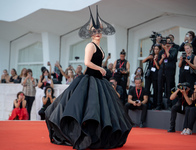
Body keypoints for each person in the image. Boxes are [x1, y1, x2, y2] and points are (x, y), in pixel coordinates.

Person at [45, 6, 132, 149]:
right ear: (91, 33)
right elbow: (86, 62)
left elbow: (91, 64)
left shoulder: (101, 48)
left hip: (99, 81)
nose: (97, 33)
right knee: (87, 109)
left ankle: (99, 135)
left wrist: (99, 69)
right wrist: (99, 68)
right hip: (91, 80)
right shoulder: (90, 46)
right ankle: (82, 135)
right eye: (94, 31)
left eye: (99, 31)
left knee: (102, 110)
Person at [156, 37, 178, 110]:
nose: (165, 44)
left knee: (168, 88)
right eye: (165, 43)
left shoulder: (174, 50)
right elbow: (159, 63)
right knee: (159, 88)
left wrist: (166, 49)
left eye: (167, 42)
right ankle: (159, 104)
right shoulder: (161, 52)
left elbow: (170, 57)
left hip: (169, 71)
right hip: (161, 70)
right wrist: (162, 58)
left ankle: (169, 104)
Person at [142, 44, 161, 109]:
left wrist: (155, 60)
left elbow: (158, 67)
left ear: (159, 50)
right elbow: (143, 61)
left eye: (157, 49)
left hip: (155, 75)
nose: (155, 50)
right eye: (154, 49)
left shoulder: (160, 57)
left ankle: (155, 104)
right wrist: (148, 58)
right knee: (147, 89)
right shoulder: (151, 55)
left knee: (155, 89)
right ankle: (147, 103)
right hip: (149, 74)